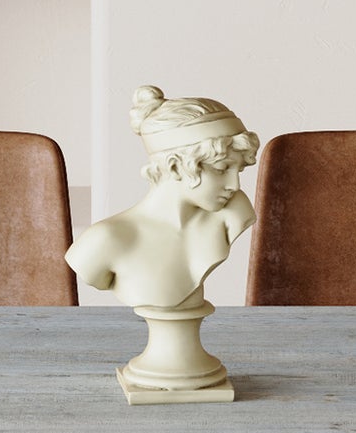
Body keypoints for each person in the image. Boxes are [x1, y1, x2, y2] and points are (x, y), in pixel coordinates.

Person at [67, 87, 259, 313]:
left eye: (238, 170)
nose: (234, 185)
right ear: (175, 166)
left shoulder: (234, 213)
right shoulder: (104, 240)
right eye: (221, 169)